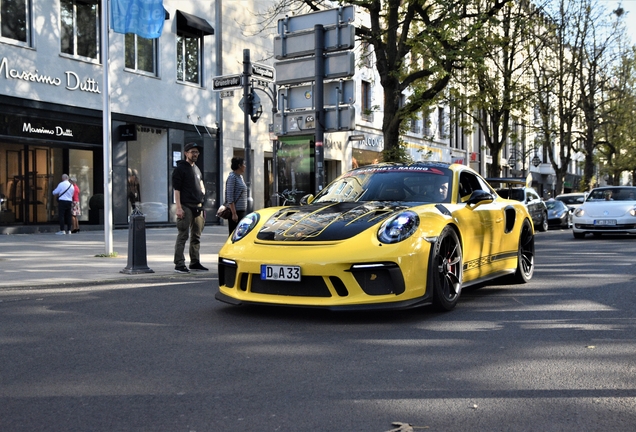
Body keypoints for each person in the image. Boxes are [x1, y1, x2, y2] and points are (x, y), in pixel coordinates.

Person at [172, 142, 207, 273]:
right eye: (192, 151)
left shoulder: (197, 169)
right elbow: (177, 190)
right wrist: (179, 208)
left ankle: (195, 262)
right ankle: (179, 263)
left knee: (196, 236)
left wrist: (202, 202)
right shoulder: (180, 169)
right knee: (183, 235)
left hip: (198, 207)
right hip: (185, 206)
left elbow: (201, 185)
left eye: (197, 152)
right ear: (186, 153)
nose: (195, 154)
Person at [225, 157, 248, 235]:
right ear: (239, 165)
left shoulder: (240, 177)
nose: (245, 166)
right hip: (235, 212)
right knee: (234, 234)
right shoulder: (232, 177)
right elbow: (230, 197)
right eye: (244, 164)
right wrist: (234, 213)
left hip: (241, 211)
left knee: (240, 234)